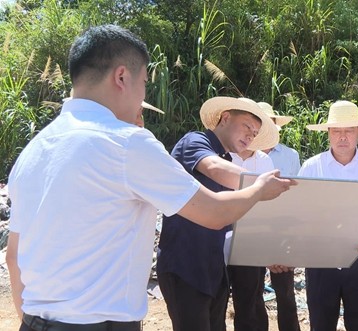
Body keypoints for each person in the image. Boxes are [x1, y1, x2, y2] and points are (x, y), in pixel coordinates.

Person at [6, 24, 294, 331]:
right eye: (144, 82)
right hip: (100, 323)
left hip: (37, 322)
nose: (143, 95)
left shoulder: (33, 151)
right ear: (122, 77)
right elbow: (213, 212)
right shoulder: (126, 142)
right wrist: (259, 187)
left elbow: (14, 257)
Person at [156, 96, 282, 331]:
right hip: (184, 266)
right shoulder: (194, 142)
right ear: (225, 118)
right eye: (247, 126)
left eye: (255, 133)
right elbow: (215, 169)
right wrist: (265, 187)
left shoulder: (227, 159)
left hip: (213, 268)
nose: (250, 136)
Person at [299, 100, 358, 331]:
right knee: (321, 322)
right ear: (328, 133)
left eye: (349, 130)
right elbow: (301, 212)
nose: (343, 137)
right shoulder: (311, 168)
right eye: (337, 131)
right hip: (320, 257)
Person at [259, 101, 302, 331]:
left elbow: (295, 199)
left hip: (283, 231)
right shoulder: (243, 155)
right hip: (253, 231)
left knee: (285, 293)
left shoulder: (290, 155)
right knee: (252, 294)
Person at [228, 147, 274, 331]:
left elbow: (270, 202)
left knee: (250, 300)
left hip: (252, 240)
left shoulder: (264, 161)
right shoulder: (221, 155)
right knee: (217, 301)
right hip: (220, 237)